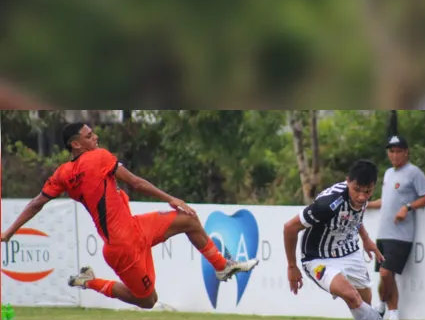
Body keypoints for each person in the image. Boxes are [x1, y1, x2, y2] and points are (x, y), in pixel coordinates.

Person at [1, 122, 259, 309]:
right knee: (148, 300)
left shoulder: (62, 174)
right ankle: (90, 282)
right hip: (121, 247)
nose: (96, 137)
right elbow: (135, 182)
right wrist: (171, 198)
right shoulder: (98, 157)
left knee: (190, 222)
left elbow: (37, 203)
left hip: (136, 227)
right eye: (89, 136)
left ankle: (221, 267)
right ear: (76, 144)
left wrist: (9, 232)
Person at [283, 159, 421, 320]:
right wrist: (292, 266)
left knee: (364, 307)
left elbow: (355, 216)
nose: (361, 196)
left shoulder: (363, 196)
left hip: (349, 252)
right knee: (353, 298)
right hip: (318, 258)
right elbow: (289, 228)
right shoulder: (328, 203)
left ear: (373, 186)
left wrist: (365, 239)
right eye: (356, 190)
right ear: (348, 182)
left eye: (367, 191)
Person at [367, 134, 425, 320]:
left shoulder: (414, 173)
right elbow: (386, 201)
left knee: (387, 272)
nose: (394, 155)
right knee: (385, 274)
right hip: (384, 232)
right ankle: (393, 312)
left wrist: (408, 207)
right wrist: (365, 204)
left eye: (398, 151)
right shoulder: (388, 173)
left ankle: (380, 305)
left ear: (406, 152)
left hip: (401, 234)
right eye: (391, 151)